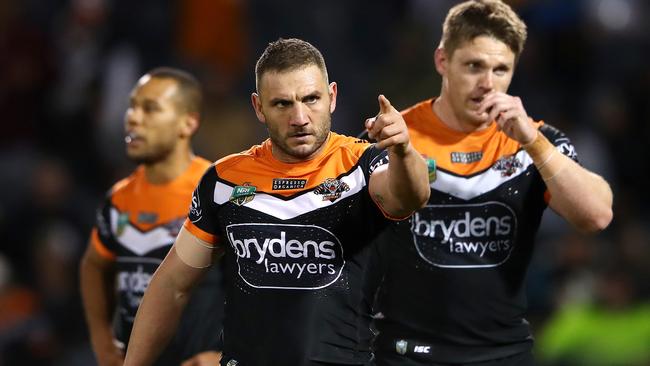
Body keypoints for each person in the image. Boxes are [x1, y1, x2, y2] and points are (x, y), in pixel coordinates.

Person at [122, 38, 430, 366]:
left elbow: (411, 196)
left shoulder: (365, 167)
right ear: (258, 107)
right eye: (283, 104)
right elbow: (171, 285)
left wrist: (403, 150)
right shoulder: (225, 181)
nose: (300, 117)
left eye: (311, 99)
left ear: (332, 97)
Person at [366, 1, 614, 365]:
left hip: (504, 353)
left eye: (501, 69)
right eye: (474, 66)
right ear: (442, 61)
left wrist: (533, 141)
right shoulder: (397, 136)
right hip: (406, 354)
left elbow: (596, 215)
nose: (487, 84)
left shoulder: (534, 140)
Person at [80, 67, 224, 366]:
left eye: (150, 108)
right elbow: (93, 266)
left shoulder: (218, 191)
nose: (133, 117)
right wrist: (103, 344)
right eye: (132, 106)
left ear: (188, 123)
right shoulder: (119, 198)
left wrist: (226, 355)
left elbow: (258, 283)